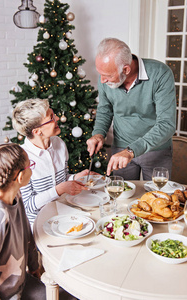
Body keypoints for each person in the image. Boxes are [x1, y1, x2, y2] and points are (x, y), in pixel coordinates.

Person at [87, 38, 176, 180]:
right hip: (120, 149)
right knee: (122, 197)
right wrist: (98, 134)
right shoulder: (105, 77)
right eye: (101, 74)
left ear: (126, 69)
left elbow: (167, 124)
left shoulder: (160, 73)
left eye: (108, 76)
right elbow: (105, 110)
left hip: (156, 149)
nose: (102, 80)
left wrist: (131, 151)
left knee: (156, 198)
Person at [12, 98, 95, 230]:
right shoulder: (21, 158)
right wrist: (59, 190)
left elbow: (64, 178)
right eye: (51, 118)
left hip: (63, 212)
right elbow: (28, 205)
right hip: (38, 224)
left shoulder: (59, 144)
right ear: (37, 131)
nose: (57, 117)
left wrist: (77, 177)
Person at [0, 143, 46, 300]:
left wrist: (34, 267)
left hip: (21, 282)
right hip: (3, 295)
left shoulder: (16, 195)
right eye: (30, 166)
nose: (31, 170)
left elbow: (26, 233)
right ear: (20, 177)